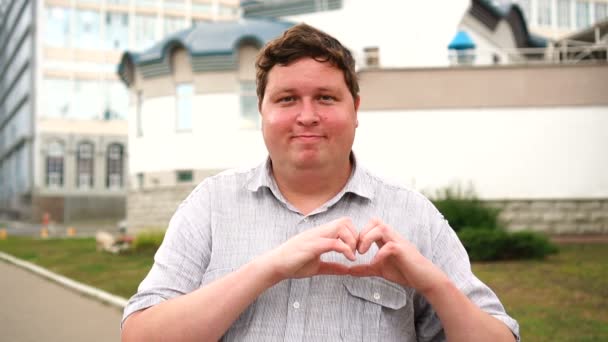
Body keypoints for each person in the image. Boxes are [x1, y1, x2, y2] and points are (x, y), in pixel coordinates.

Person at [121, 23, 519, 342]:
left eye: (326, 98)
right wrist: (268, 269)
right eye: (287, 99)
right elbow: (139, 336)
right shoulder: (209, 205)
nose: (307, 116)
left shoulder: (413, 216)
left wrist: (434, 285)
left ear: (355, 109)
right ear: (261, 111)